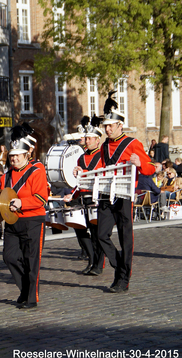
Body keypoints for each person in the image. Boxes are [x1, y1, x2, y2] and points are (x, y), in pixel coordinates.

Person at [96, 95, 155, 293]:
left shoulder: (132, 143)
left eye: (111, 126)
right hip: (107, 194)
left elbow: (151, 167)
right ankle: (120, 265)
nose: (107, 129)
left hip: (124, 195)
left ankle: (122, 279)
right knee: (101, 234)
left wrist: (140, 164)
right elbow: (102, 168)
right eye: (106, 126)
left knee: (125, 238)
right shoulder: (104, 146)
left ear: (120, 125)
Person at [0, 129, 48, 310]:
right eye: (12, 156)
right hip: (12, 222)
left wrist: (22, 203)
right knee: (9, 257)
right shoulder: (5, 176)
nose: (14, 159)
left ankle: (31, 298)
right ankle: (25, 289)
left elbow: (42, 198)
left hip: (32, 220)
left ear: (26, 154)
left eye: (17, 156)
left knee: (31, 260)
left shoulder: (36, 171)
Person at [70, 115, 105, 275]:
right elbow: (79, 180)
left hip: (96, 198)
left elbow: (101, 175)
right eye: (86, 138)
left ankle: (98, 264)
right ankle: (91, 260)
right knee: (81, 229)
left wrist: (84, 172)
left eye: (90, 138)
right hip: (82, 197)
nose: (87, 140)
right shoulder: (81, 157)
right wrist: (71, 194)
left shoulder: (102, 156)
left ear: (97, 140)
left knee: (97, 233)